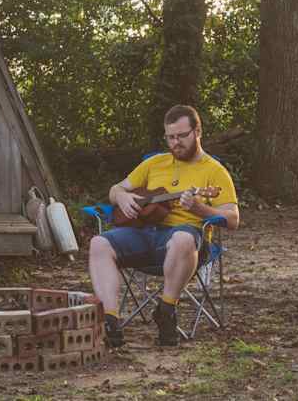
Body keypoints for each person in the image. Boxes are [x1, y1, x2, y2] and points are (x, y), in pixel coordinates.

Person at [88, 105, 240, 347]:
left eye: (182, 136)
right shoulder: (155, 163)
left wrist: (199, 209)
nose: (175, 143)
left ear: (197, 131)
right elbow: (115, 189)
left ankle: (166, 311)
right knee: (99, 243)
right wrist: (122, 197)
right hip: (144, 233)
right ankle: (111, 322)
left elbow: (232, 218)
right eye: (171, 137)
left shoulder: (214, 171)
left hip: (187, 243)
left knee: (182, 238)